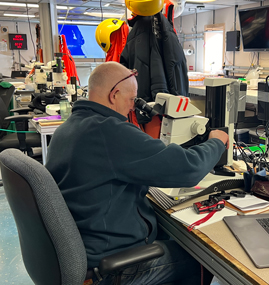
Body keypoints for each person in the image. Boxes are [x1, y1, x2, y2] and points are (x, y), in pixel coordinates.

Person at [45, 61, 229, 285]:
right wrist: (217, 142)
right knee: (202, 257)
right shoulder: (110, 131)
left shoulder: (67, 128)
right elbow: (189, 169)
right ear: (115, 94)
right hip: (112, 268)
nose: (132, 107)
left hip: (87, 249)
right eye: (131, 99)